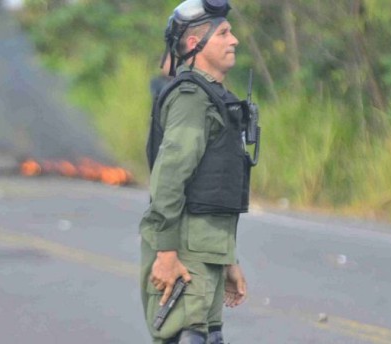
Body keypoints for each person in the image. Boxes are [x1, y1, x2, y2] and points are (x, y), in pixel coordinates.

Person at [140, 0, 257, 343]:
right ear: (195, 44)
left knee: (207, 337)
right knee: (186, 337)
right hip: (183, 252)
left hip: (206, 252)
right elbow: (170, 177)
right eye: (223, 33)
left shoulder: (214, 98)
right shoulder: (191, 97)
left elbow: (216, 188)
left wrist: (228, 260)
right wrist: (164, 253)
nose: (233, 39)